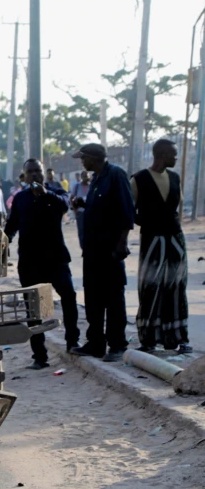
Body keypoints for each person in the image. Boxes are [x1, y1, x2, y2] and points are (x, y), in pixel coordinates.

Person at [5, 159, 81, 369]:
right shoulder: (20, 198)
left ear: (43, 172)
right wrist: (3, 241)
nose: (34, 175)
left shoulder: (56, 193)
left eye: (37, 170)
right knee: (34, 308)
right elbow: (12, 225)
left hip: (55, 258)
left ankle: (72, 341)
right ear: (24, 176)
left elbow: (64, 206)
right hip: (30, 261)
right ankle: (39, 356)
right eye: (30, 171)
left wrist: (45, 194)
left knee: (68, 297)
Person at [70, 144, 135, 362]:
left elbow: (126, 210)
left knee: (113, 297)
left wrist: (122, 243)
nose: (82, 162)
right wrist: (83, 204)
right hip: (92, 251)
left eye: (83, 158)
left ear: (93, 158)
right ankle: (96, 343)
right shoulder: (96, 178)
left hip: (110, 250)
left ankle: (117, 345)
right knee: (93, 298)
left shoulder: (115, 175)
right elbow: (101, 208)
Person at [131, 139, 192, 354]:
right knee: (150, 287)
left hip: (175, 239)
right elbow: (129, 210)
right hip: (152, 239)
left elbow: (175, 209)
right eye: (173, 155)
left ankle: (178, 338)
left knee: (176, 287)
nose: (176, 158)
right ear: (163, 155)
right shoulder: (139, 179)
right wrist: (147, 222)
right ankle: (148, 339)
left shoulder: (174, 178)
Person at [70, 171, 92, 252]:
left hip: (90, 212)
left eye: (87, 176)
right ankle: (83, 248)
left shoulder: (92, 186)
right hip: (80, 212)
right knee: (81, 231)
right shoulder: (77, 186)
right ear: (82, 177)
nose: (86, 177)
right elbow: (71, 198)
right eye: (84, 176)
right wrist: (75, 210)